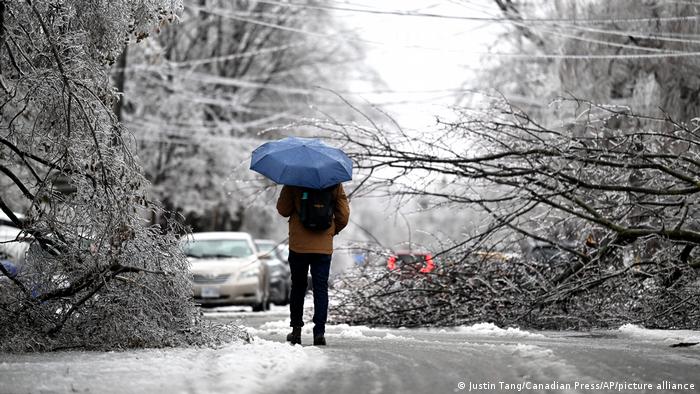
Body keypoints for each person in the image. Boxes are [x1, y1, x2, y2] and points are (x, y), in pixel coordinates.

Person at [276, 183, 350, 346]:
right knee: (320, 287)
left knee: (298, 286)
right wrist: (331, 231)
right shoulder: (334, 182)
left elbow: (283, 210)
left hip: (298, 246)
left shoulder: (293, 180)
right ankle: (319, 333)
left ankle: (296, 331)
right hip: (323, 247)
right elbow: (343, 215)